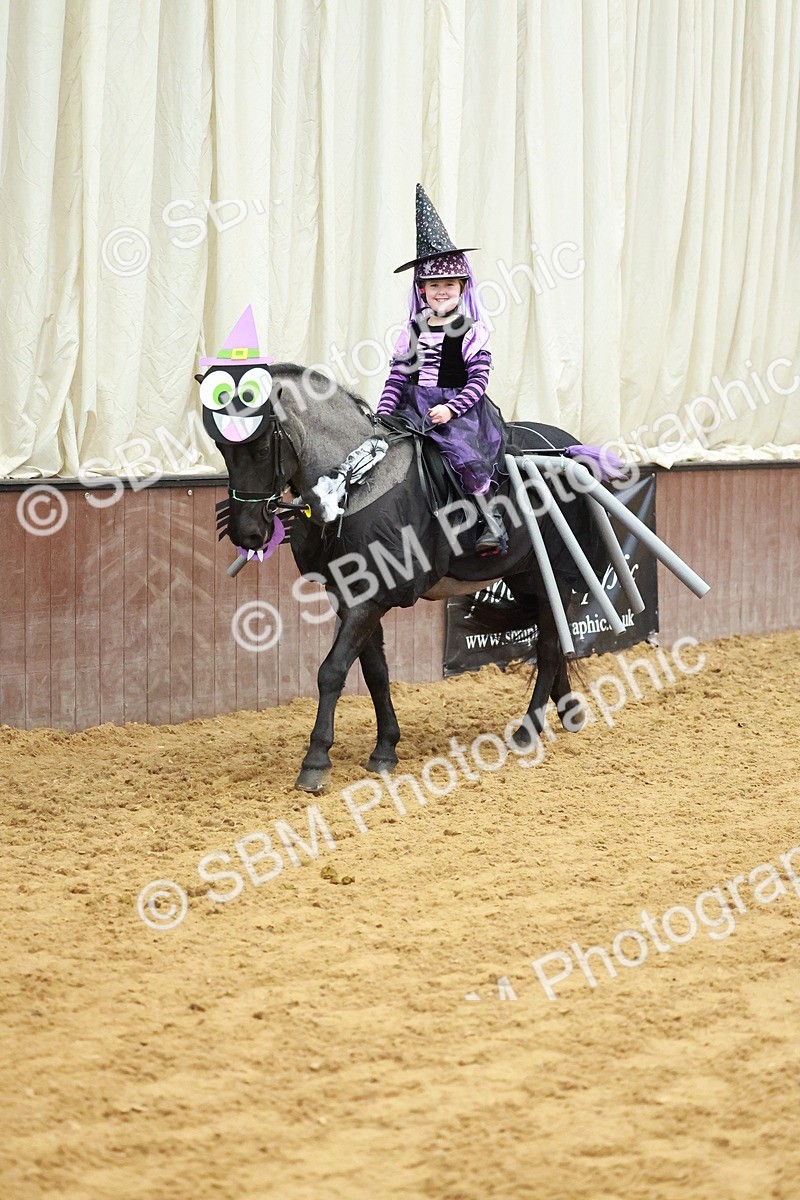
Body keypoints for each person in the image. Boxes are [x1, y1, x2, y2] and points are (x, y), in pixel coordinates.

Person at [377, 184, 507, 555]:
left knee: (464, 457)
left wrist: (450, 408)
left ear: (461, 287)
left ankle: (491, 521)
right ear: (422, 290)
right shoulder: (414, 329)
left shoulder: (471, 331)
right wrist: (385, 410)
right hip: (413, 408)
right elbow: (399, 376)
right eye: (433, 286)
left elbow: (479, 381)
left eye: (448, 285)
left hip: (457, 412)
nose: (441, 292)